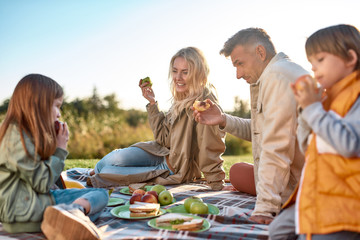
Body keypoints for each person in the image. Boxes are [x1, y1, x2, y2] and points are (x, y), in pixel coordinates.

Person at [193, 28, 308, 224]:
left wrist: (266, 208)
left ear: (260, 53)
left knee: (252, 174)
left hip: (305, 184)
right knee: (237, 171)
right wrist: (223, 119)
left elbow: (276, 146)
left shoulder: (276, 77)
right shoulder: (277, 71)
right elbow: (262, 130)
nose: (238, 75)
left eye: (240, 64)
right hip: (297, 171)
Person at [89, 47, 226, 190]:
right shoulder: (181, 98)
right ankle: (99, 170)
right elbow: (163, 138)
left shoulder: (205, 104)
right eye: (175, 71)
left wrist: (216, 183)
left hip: (173, 168)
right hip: (159, 152)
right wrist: (153, 103)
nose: (178, 77)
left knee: (108, 172)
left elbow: (210, 146)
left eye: (185, 72)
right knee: (113, 158)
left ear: (198, 73)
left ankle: (99, 173)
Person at [269, 24, 360, 240]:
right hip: (319, 192)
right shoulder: (328, 100)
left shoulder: (355, 97)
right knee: (277, 230)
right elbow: (308, 147)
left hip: (346, 201)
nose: (314, 69)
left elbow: (350, 144)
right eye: (311, 63)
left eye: (320, 60)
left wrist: (313, 109)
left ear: (349, 58)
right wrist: (305, 110)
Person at [0, 74, 109, 240]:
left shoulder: (23, 134)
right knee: (99, 197)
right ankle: (71, 214)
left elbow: (47, 179)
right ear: (39, 105)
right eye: (57, 106)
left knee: (99, 196)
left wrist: (52, 144)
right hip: (23, 210)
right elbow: (42, 183)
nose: (59, 114)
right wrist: (60, 150)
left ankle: (71, 215)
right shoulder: (16, 137)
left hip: (27, 207)